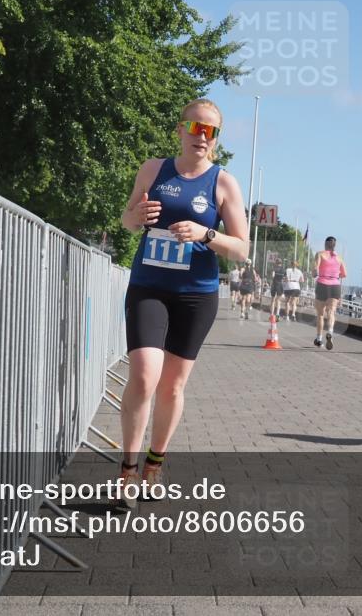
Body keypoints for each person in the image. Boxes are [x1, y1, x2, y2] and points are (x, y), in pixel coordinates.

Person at [118, 98, 248, 505]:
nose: (201, 137)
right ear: (180, 130)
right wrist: (136, 217)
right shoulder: (153, 169)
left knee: (172, 386)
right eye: (195, 128)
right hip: (150, 286)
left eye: (210, 131)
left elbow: (242, 250)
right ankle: (127, 471)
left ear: (216, 139)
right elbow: (126, 218)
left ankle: (155, 463)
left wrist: (206, 234)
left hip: (196, 294)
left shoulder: (223, 183)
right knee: (143, 374)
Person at [313, 236, 347, 349]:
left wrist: (314, 273)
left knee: (320, 314)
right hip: (335, 286)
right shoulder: (340, 258)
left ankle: (319, 339)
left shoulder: (320, 254)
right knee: (331, 312)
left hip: (322, 284)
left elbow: (315, 269)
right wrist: (335, 275)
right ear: (334, 245)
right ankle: (330, 332)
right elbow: (344, 274)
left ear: (325, 244)